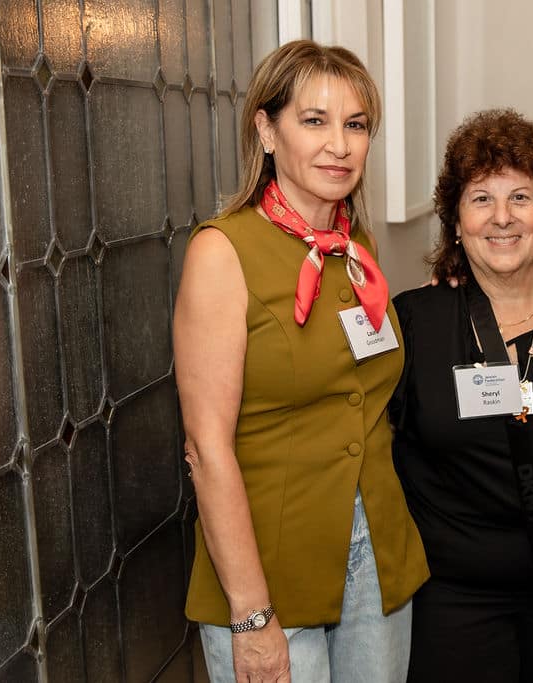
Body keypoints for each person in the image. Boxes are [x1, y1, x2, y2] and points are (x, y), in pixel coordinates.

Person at [173, 40, 427, 682]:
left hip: (377, 556)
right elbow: (206, 448)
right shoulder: (222, 252)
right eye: (315, 121)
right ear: (266, 130)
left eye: (356, 125)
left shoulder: (355, 244)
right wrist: (251, 616)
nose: (339, 145)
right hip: (268, 575)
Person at [390, 109, 533, 683]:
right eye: (480, 199)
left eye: (520, 197)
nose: (501, 217)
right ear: (455, 220)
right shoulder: (415, 322)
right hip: (450, 603)